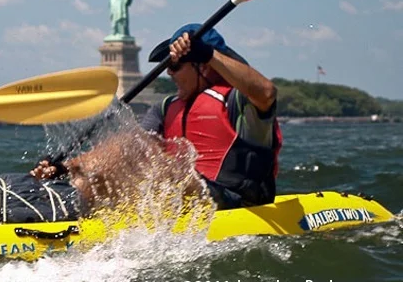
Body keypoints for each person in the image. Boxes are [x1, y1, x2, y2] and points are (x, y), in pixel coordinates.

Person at [32, 24, 281, 210]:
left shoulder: (238, 101)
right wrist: (68, 168)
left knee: (160, 169)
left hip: (237, 202)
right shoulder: (165, 108)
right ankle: (52, 210)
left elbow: (267, 92)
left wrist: (208, 53)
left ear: (203, 66)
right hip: (187, 199)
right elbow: (128, 148)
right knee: (119, 159)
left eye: (174, 66)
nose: (169, 74)